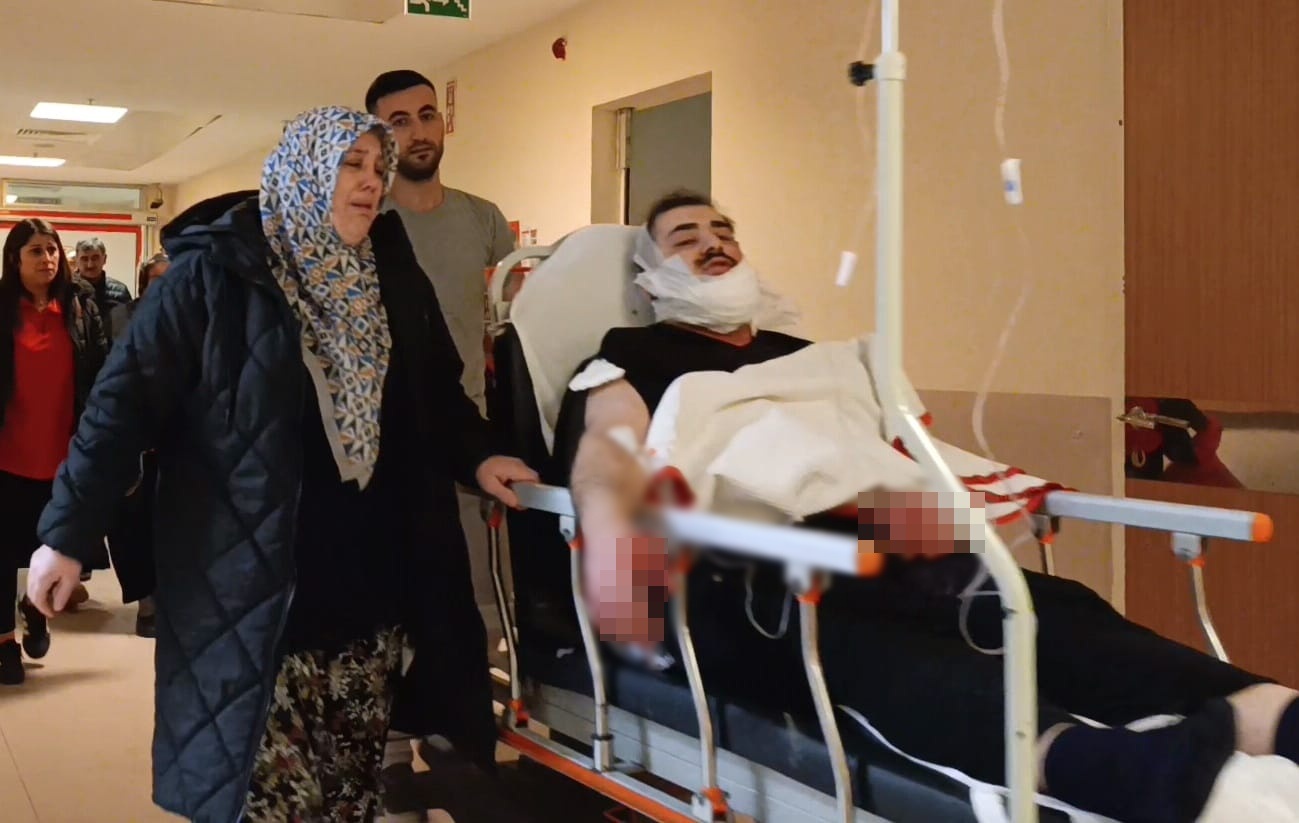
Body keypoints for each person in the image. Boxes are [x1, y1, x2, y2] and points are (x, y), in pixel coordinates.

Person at [554, 190, 1299, 823]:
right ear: (650, 277)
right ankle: (1088, 762)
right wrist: (624, 577)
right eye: (685, 237)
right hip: (756, 577)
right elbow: (607, 463)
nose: (713, 243)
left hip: (880, 545)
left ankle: (1266, 711)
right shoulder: (627, 357)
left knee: (1048, 606)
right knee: (887, 655)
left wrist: (935, 521)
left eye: (724, 231)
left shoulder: (813, 357)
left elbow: (885, 455)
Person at [25, 106, 538, 823]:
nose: (370, 182)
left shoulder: (391, 272)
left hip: (368, 587)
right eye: (350, 165)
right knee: (273, 800)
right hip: (253, 587)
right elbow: (120, 407)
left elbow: (434, 393)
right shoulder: (213, 275)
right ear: (304, 171)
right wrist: (67, 535)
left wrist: (480, 455)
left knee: (348, 792)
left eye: (378, 167)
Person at [364, 69, 519, 814]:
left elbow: (505, 328)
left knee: (472, 608)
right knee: (393, 609)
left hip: (465, 439)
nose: (419, 130)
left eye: (428, 115)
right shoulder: (370, 221)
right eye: (400, 121)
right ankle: (392, 762)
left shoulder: (483, 220)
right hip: (391, 448)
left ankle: (450, 737)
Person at [0, 218, 107, 684]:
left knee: (53, 547)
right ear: (14, 260)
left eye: (52, 249)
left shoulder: (80, 307)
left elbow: (102, 378)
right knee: (2, 555)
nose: (47, 259)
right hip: (7, 456)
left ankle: (35, 606)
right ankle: (4, 642)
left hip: (64, 459)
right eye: (35, 251)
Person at [104, 252, 170, 638]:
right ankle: (145, 598)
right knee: (130, 525)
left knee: (172, 524)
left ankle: (168, 597)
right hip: (131, 440)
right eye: (157, 280)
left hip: (180, 443)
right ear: (142, 286)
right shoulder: (118, 319)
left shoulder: (198, 317)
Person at [74, 237, 131, 338]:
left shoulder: (120, 292)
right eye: (84, 259)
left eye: (95, 258)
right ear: (76, 261)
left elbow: (129, 328)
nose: (90, 264)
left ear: (104, 259)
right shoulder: (68, 290)